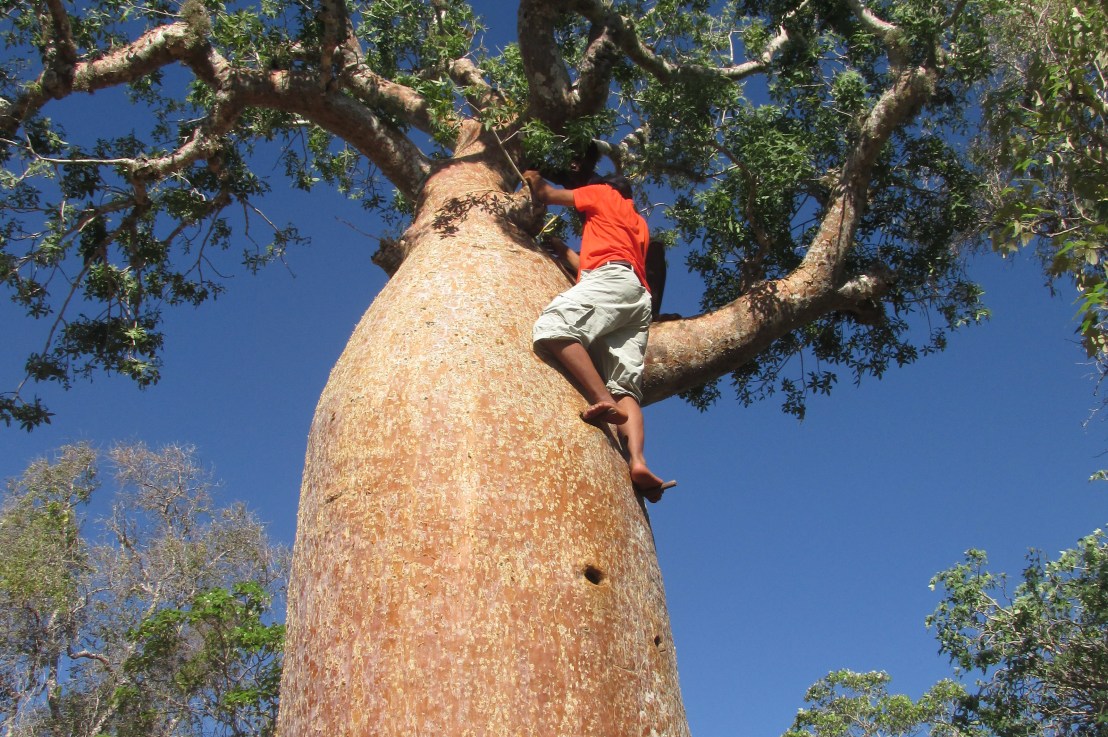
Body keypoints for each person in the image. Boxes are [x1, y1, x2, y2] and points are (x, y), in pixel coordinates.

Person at [524, 169, 676, 502]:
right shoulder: (637, 223)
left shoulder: (602, 194)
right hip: (636, 297)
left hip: (613, 283)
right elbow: (602, 262)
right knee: (626, 385)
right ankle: (638, 461)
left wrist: (532, 177)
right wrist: (564, 250)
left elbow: (547, 194)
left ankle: (601, 399)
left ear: (606, 188)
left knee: (554, 326)